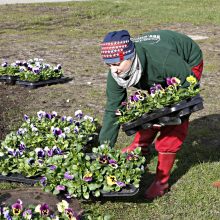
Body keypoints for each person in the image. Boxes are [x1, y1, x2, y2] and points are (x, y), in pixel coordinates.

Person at [98, 29, 203, 200]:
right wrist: (103, 150)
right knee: (152, 109)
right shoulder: (116, 73)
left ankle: (162, 180)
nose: (114, 70)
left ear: (130, 56)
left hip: (186, 63)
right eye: (109, 65)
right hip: (155, 66)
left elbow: (189, 91)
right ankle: (142, 146)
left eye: (117, 63)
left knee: (174, 119)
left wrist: (169, 114)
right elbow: (113, 110)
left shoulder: (163, 61)